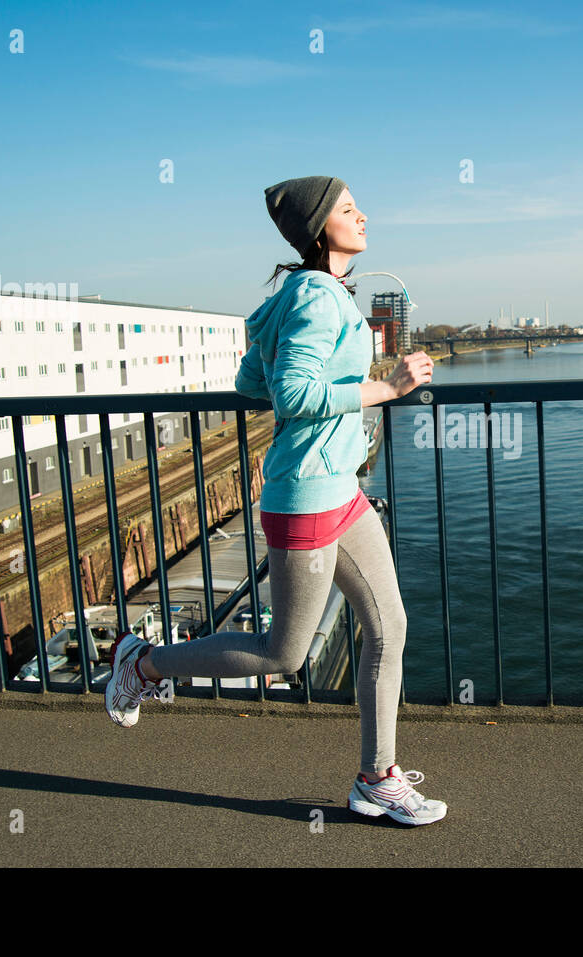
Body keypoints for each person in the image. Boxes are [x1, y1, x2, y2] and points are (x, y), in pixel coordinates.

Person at [104, 176, 443, 825]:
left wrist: (334, 380)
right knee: (283, 651)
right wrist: (385, 386)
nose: (363, 214)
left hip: (337, 486)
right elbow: (289, 396)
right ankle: (142, 663)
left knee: (388, 625)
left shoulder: (304, 292)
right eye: (348, 209)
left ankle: (378, 777)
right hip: (307, 494)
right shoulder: (317, 295)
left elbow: (250, 379)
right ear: (321, 230)